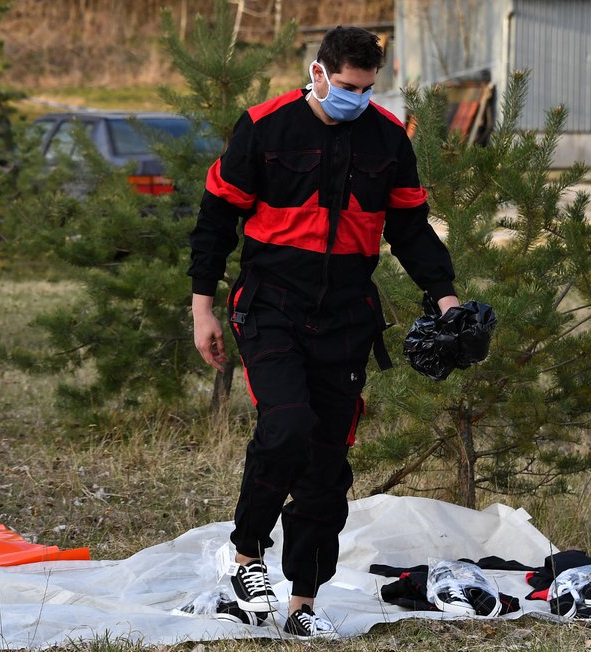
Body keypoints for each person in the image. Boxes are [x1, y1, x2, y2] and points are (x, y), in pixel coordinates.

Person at [188, 26, 459, 639]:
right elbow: (215, 220)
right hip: (271, 304)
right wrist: (203, 307)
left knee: (327, 465)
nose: (355, 100)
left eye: (366, 90)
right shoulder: (264, 126)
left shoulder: (388, 140)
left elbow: (411, 228)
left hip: (346, 315)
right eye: (344, 87)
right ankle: (246, 556)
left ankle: (302, 603)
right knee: (287, 428)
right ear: (317, 73)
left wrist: (445, 298)